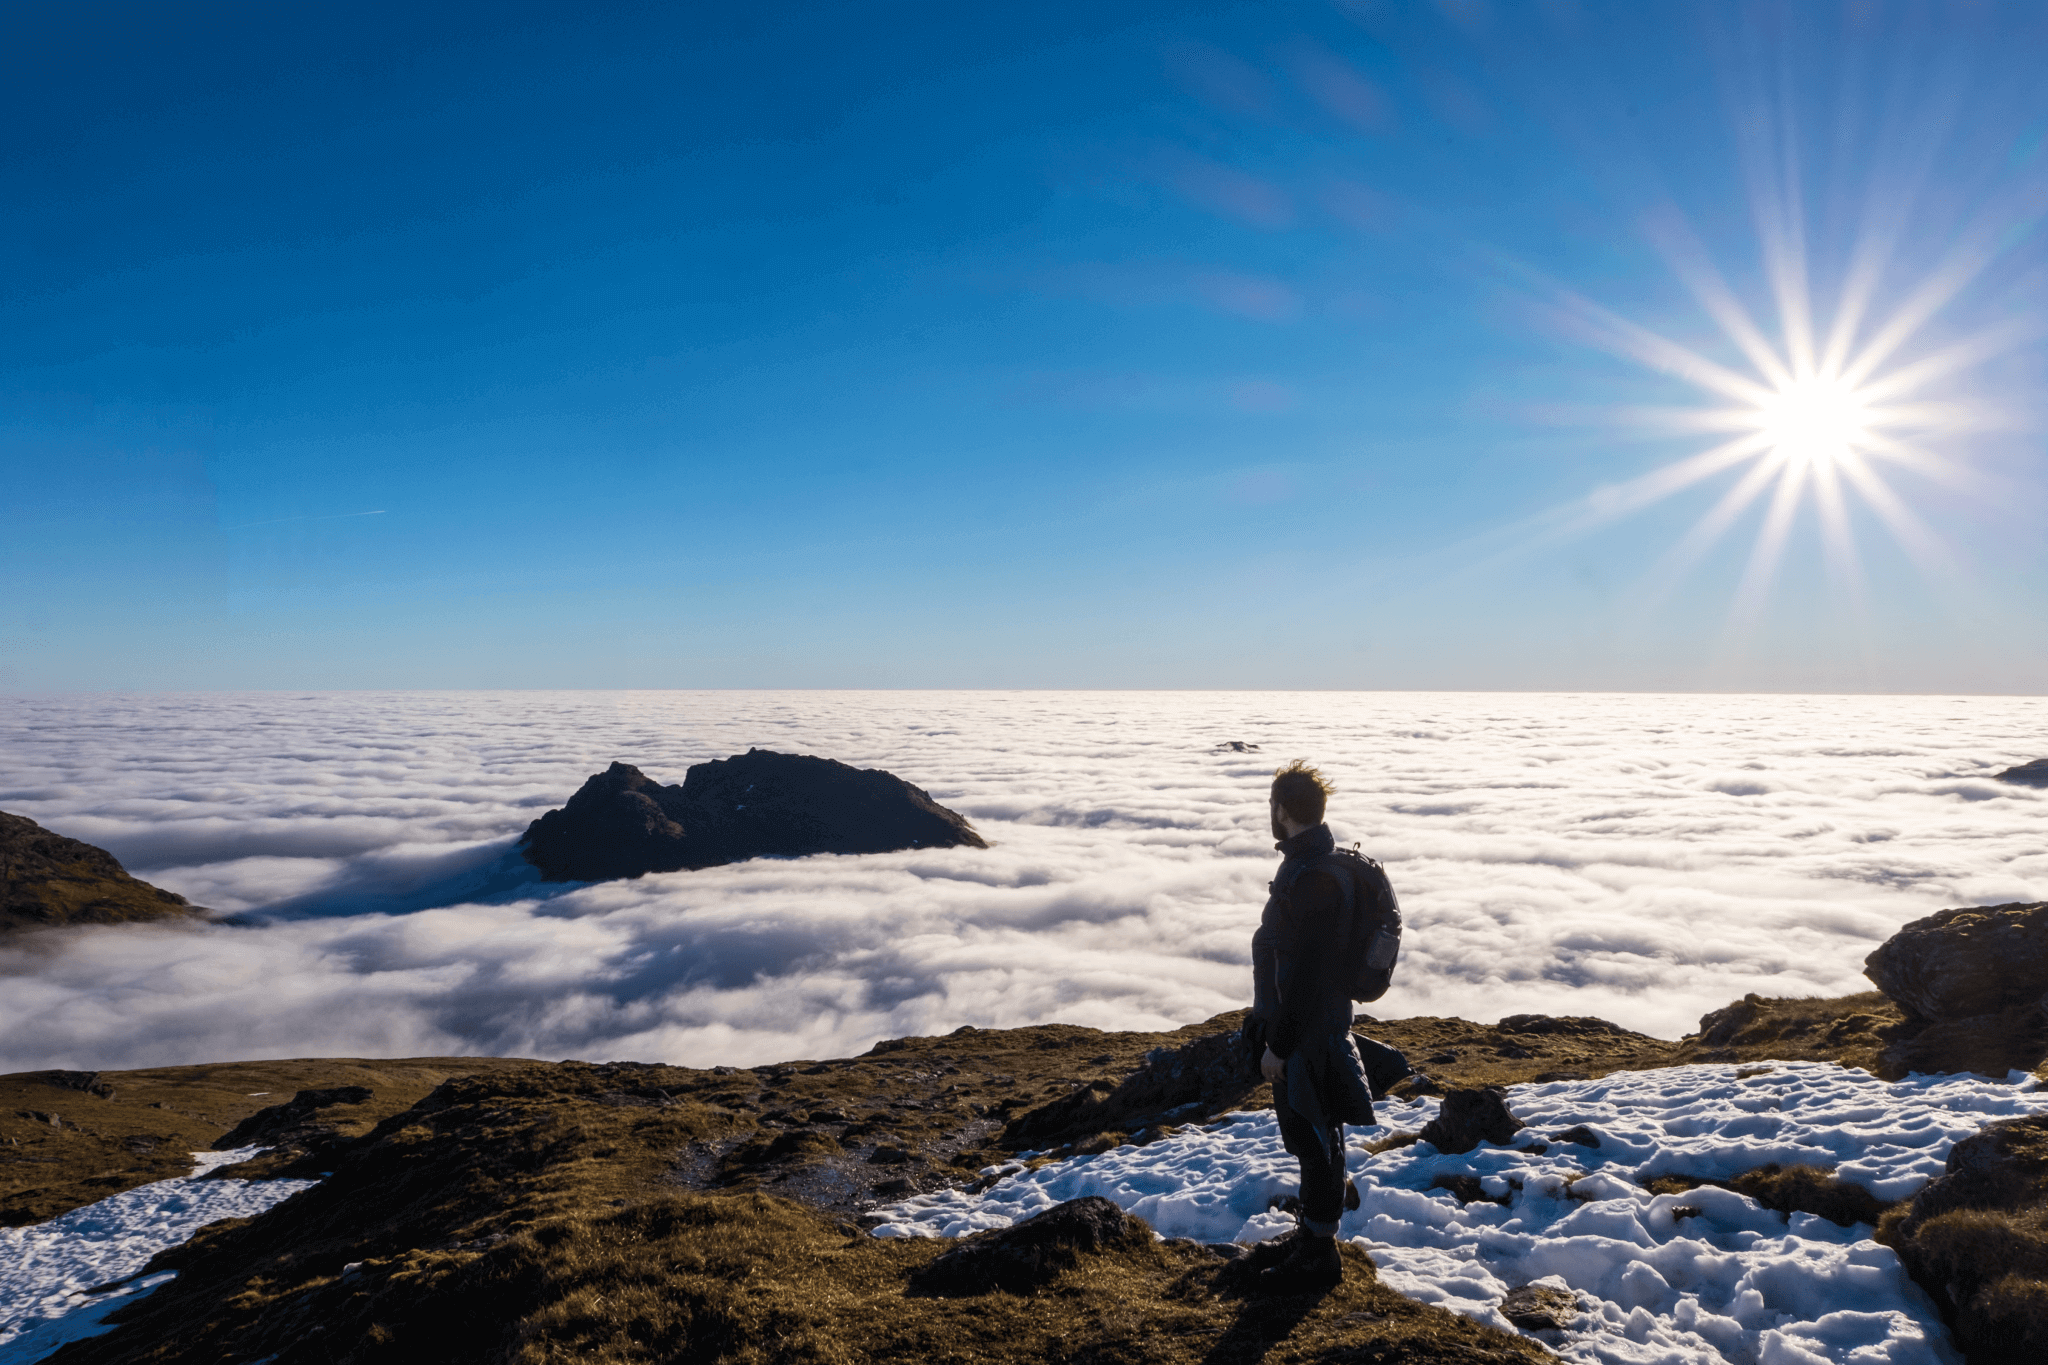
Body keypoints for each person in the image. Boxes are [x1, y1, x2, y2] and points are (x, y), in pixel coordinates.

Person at [1239, 760, 1378, 1293]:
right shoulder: (1314, 863)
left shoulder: (1314, 876)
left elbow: (1307, 974)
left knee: (1315, 1136)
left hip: (1308, 1032)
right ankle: (1312, 1235)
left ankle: (1319, 1253)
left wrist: (1278, 1043)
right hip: (1317, 1026)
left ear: (1281, 812)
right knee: (1313, 1133)